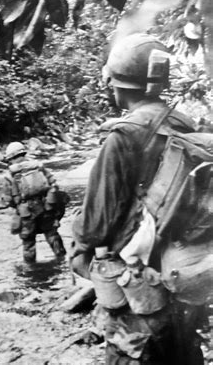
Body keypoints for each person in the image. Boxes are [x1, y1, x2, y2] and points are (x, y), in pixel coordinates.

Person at [70, 33, 204, 364]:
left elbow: (95, 228)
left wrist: (76, 239)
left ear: (114, 82)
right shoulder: (185, 125)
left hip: (140, 292)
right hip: (187, 280)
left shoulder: (123, 136)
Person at [1, 141, 67, 263]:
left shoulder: (10, 175)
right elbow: (54, 184)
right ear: (23, 153)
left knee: (28, 241)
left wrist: (17, 205)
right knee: (52, 234)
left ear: (10, 158)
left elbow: (7, 199)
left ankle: (31, 268)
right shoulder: (38, 166)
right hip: (46, 207)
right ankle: (62, 260)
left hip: (26, 212)